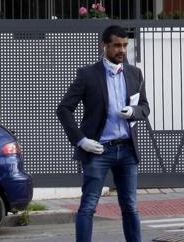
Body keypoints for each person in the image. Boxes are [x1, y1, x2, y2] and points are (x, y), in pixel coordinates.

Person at [56, 25, 151, 242]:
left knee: (130, 207)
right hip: (98, 150)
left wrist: (134, 112)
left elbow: (145, 107)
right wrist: (81, 140)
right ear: (105, 45)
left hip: (127, 150)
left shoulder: (134, 73)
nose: (122, 50)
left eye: (125, 45)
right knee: (88, 206)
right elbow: (63, 109)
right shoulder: (88, 74)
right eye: (117, 45)